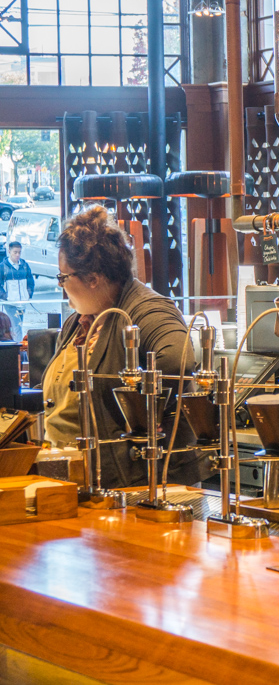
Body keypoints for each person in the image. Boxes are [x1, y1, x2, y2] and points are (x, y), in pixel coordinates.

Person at [42, 206, 208, 489]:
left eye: (63, 277)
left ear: (93, 278)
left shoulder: (148, 310)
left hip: (139, 486)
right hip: (79, 483)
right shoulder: (78, 322)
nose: (61, 287)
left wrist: (140, 423)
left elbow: (176, 364)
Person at [0, 241, 34, 341]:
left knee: (19, 324)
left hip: (22, 301)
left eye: (19, 252)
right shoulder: (3, 267)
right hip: (10, 303)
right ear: (9, 251)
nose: (17, 255)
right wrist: (5, 296)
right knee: (17, 325)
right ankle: (18, 347)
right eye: (15, 252)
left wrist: (28, 294)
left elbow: (30, 281)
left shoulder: (24, 265)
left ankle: (16, 345)